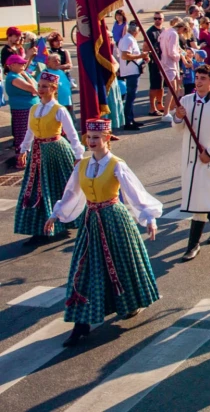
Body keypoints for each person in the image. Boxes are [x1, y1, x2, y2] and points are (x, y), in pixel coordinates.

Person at [46, 118, 162, 347]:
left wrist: (149, 218)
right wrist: (55, 214)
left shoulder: (117, 164)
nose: (91, 141)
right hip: (91, 220)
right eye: (89, 137)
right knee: (85, 268)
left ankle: (131, 303)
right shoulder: (82, 165)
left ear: (108, 138)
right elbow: (71, 193)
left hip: (114, 218)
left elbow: (134, 193)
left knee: (123, 263)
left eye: (96, 137)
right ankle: (81, 324)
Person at [172, 65, 210, 261]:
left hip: (206, 158)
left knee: (200, 201)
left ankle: (193, 245)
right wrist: (178, 117)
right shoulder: (185, 101)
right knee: (202, 194)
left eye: (203, 78)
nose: (198, 81)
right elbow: (177, 129)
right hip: (189, 159)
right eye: (197, 77)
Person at [15, 72, 84, 246]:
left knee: (59, 187)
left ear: (54, 89)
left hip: (56, 151)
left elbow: (72, 133)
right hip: (38, 153)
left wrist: (78, 155)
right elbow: (30, 131)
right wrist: (24, 149)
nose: (41, 89)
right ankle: (40, 229)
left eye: (45, 87)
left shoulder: (58, 109)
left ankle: (65, 222)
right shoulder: (34, 109)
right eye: (39, 86)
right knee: (37, 190)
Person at [5, 54, 39, 167]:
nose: (24, 65)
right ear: (12, 65)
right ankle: (22, 160)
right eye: (21, 63)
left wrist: (25, 74)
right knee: (23, 134)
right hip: (22, 109)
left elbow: (36, 86)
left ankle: (30, 158)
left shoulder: (20, 74)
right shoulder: (12, 77)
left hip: (30, 107)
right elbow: (32, 88)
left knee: (32, 133)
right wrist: (26, 76)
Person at [118, 22, 149, 131]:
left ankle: (131, 119)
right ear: (136, 31)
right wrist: (141, 55)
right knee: (130, 96)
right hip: (131, 71)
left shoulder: (128, 39)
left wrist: (142, 58)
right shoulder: (128, 40)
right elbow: (125, 55)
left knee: (131, 96)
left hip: (132, 70)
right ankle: (128, 121)